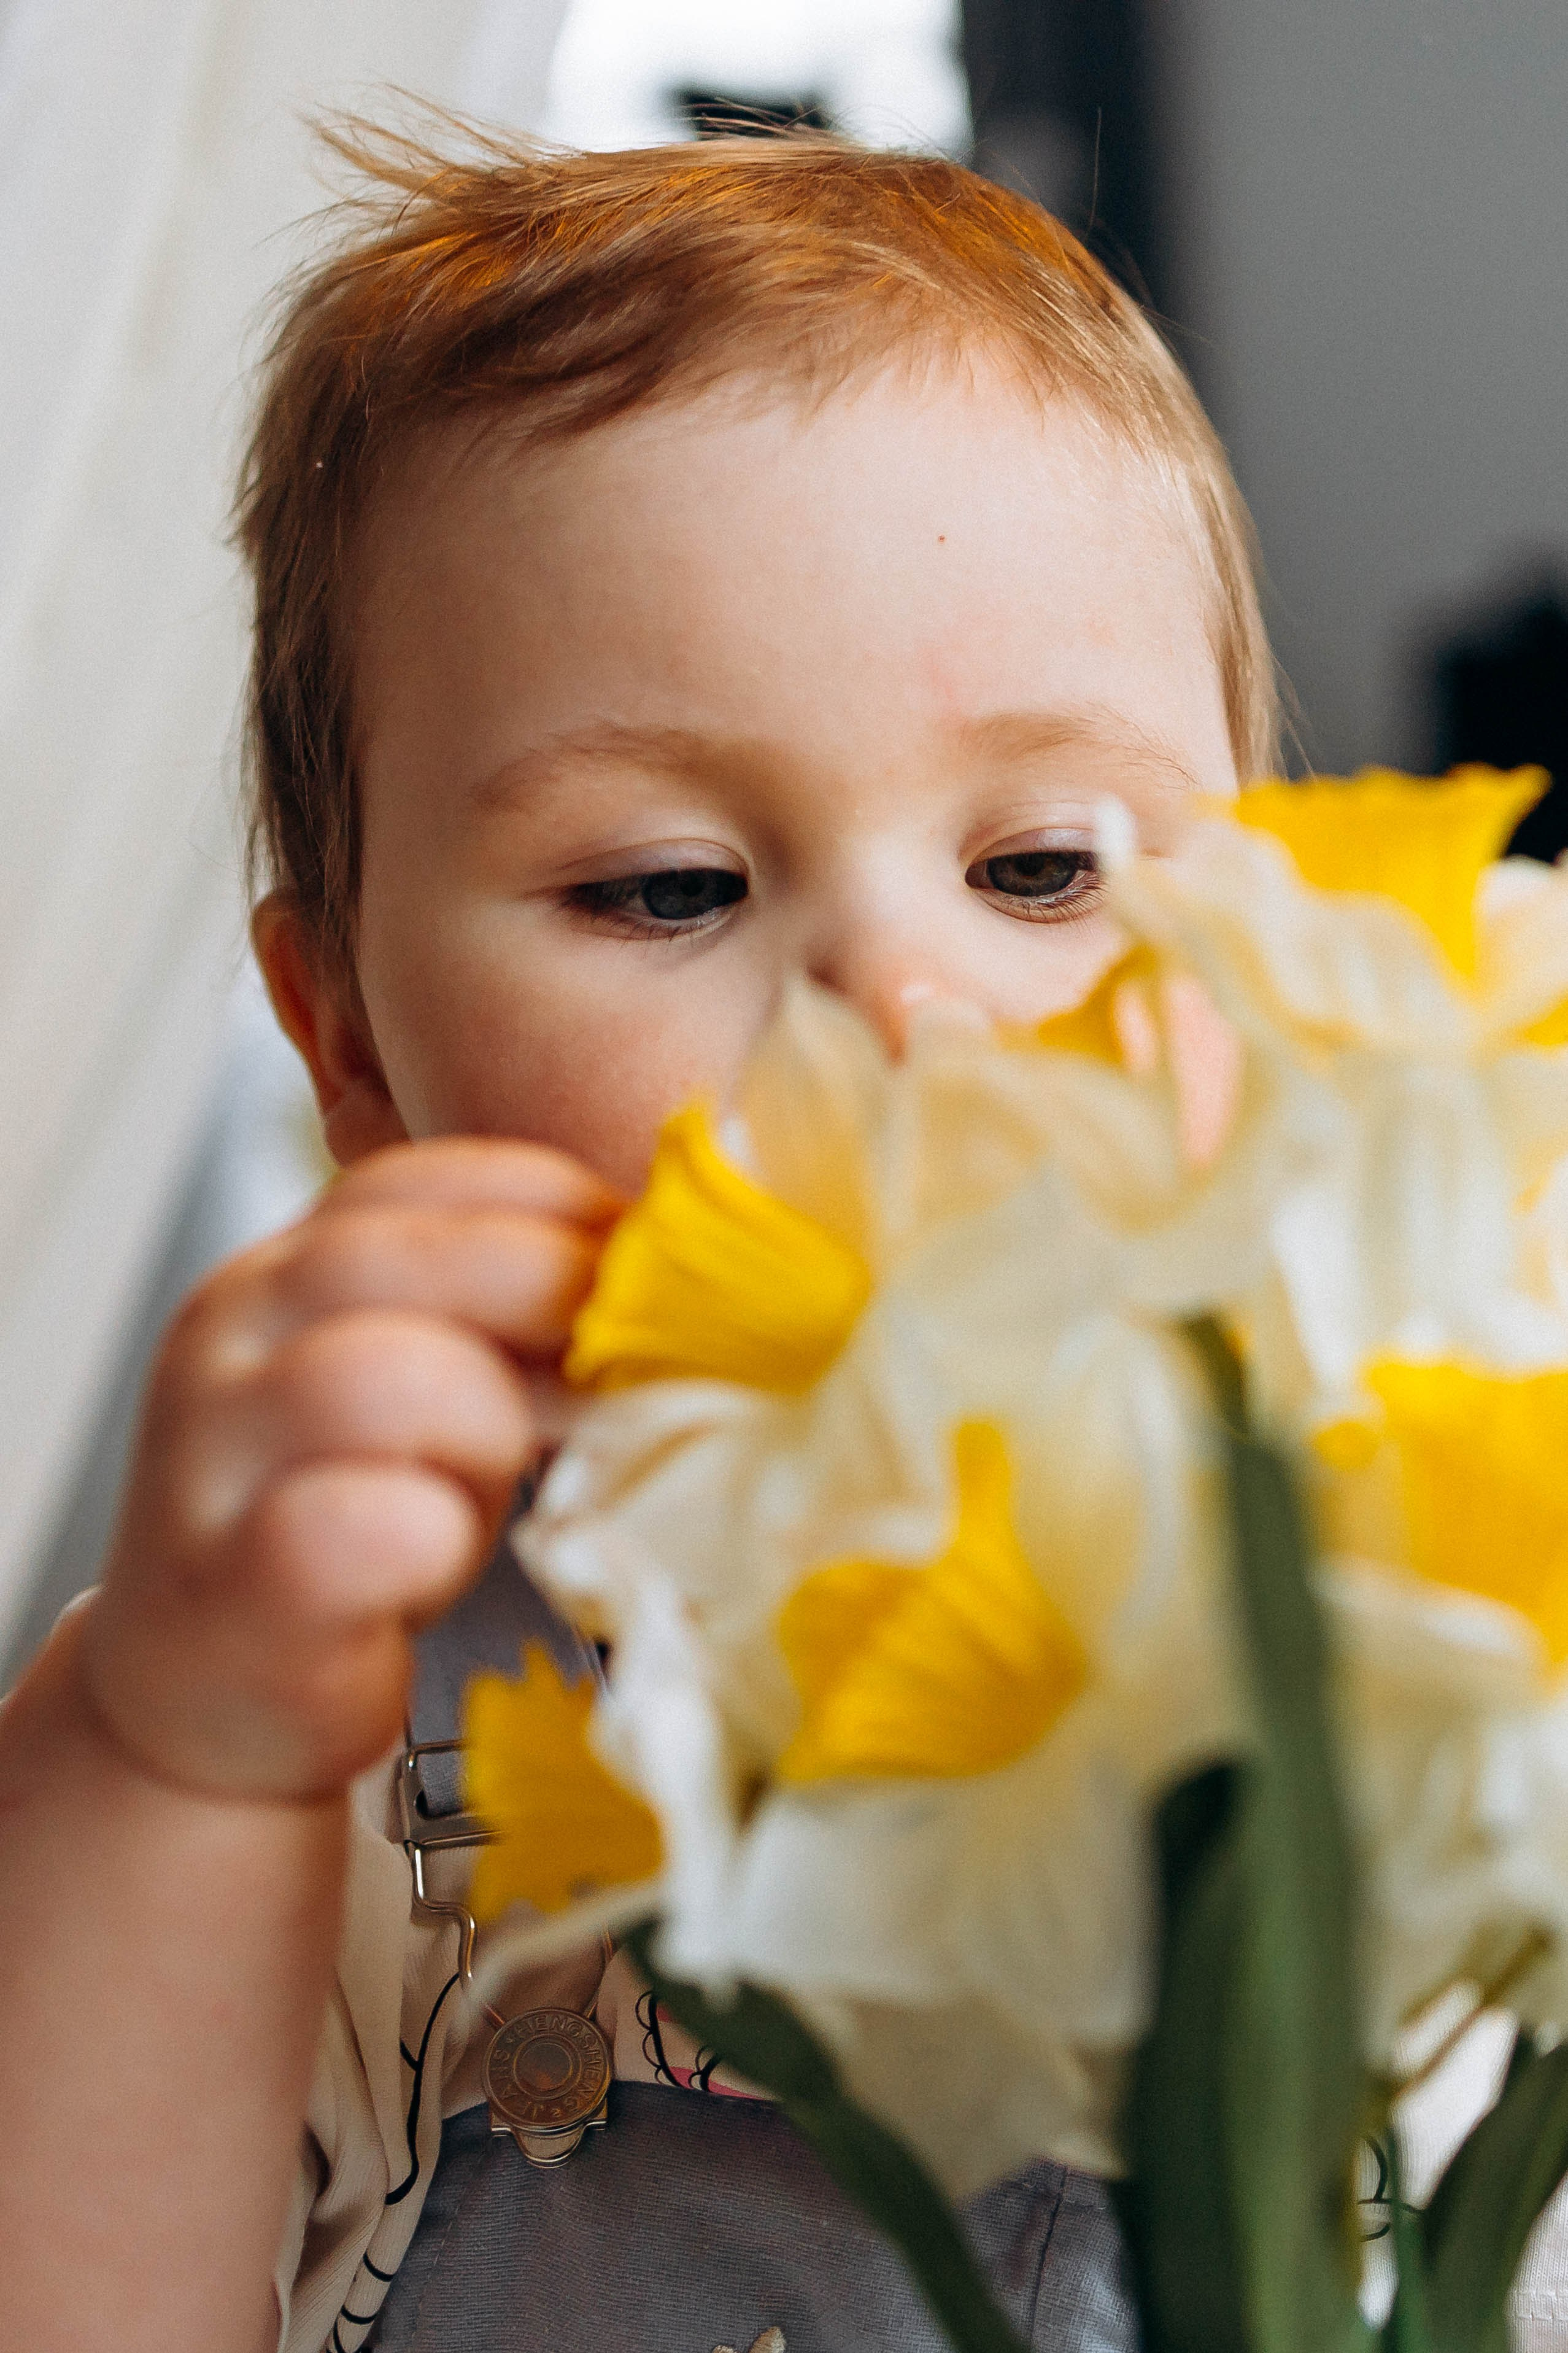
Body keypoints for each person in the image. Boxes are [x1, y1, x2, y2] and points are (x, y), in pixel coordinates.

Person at [0, 119, 1275, 2352]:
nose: (901, 1010)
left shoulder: (1445, 1612)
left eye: (1045, 871)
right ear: (360, 1052)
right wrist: (163, 1760)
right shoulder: (290, 1736)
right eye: (668, 886)